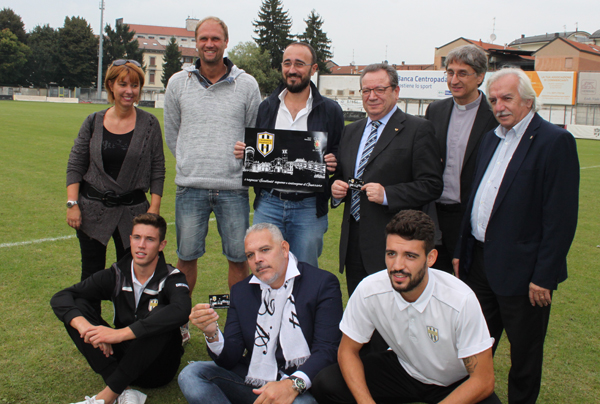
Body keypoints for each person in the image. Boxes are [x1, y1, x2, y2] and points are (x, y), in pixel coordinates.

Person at [455, 67, 579, 404]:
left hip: (526, 276)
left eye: (506, 98)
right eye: (494, 99)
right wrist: (460, 250)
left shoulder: (555, 141)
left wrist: (544, 276)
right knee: (475, 348)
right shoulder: (491, 138)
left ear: (527, 100)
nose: (499, 106)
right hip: (479, 264)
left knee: (524, 358)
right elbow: (475, 199)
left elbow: (561, 218)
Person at [311, 210, 501, 404]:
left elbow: (483, 380)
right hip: (404, 369)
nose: (397, 265)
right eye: (391, 254)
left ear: (431, 258)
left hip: (453, 382)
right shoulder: (370, 290)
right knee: (327, 383)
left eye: (410, 256)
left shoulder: (460, 300)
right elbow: (347, 351)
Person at [178, 223, 343, 404]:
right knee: (191, 375)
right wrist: (212, 333)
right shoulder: (241, 291)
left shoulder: (321, 283)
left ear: (284, 248)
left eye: (264, 250)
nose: (257, 259)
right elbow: (231, 356)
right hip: (255, 378)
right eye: (250, 255)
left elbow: (327, 349)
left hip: (299, 385)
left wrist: (291, 385)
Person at [164, 16, 261, 293]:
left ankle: (240, 323)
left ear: (225, 42)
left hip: (233, 188)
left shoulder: (247, 85)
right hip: (190, 186)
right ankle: (179, 320)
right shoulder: (177, 83)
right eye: (204, 38)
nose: (209, 44)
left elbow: (255, 134)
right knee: (186, 259)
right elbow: (172, 133)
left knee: (239, 260)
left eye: (215, 39)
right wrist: (188, 158)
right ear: (196, 43)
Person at [51, 213, 192, 404]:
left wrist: (119, 334)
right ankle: (125, 391)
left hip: (158, 368)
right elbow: (61, 297)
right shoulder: (117, 273)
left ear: (161, 245)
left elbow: (181, 310)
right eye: (137, 237)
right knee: (77, 307)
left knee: (162, 316)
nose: (141, 245)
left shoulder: (172, 277)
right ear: (130, 240)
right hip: (120, 362)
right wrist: (85, 327)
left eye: (149, 239)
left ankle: (106, 397)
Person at [331, 63, 443, 296]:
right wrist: (336, 188)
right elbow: (344, 174)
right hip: (353, 242)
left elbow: (432, 185)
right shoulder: (351, 131)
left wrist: (388, 195)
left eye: (379, 89)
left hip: (395, 243)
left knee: (393, 317)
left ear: (396, 91)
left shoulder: (418, 129)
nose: (372, 96)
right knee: (361, 311)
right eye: (366, 90)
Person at [66, 59, 165, 312]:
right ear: (111, 85)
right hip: (92, 210)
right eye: (123, 84)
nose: (129, 91)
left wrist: (154, 208)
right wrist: (72, 203)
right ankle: (91, 331)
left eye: (134, 85)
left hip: (133, 213)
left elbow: (157, 168)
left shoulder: (150, 124)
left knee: (134, 275)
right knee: (91, 274)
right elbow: (76, 163)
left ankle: (129, 329)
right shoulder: (93, 121)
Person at [233, 42, 344, 267]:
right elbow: (261, 152)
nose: (292, 69)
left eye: (299, 64)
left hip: (309, 207)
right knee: (264, 269)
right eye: (287, 63)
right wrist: (246, 152)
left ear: (313, 69)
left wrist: (333, 162)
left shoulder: (330, 110)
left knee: (305, 274)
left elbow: (340, 153)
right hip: (269, 203)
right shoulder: (266, 107)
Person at [424, 45, 497, 273]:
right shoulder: (435, 110)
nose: (454, 79)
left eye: (462, 73)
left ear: (480, 77)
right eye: (450, 72)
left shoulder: (494, 117)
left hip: (469, 217)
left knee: (467, 286)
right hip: (433, 214)